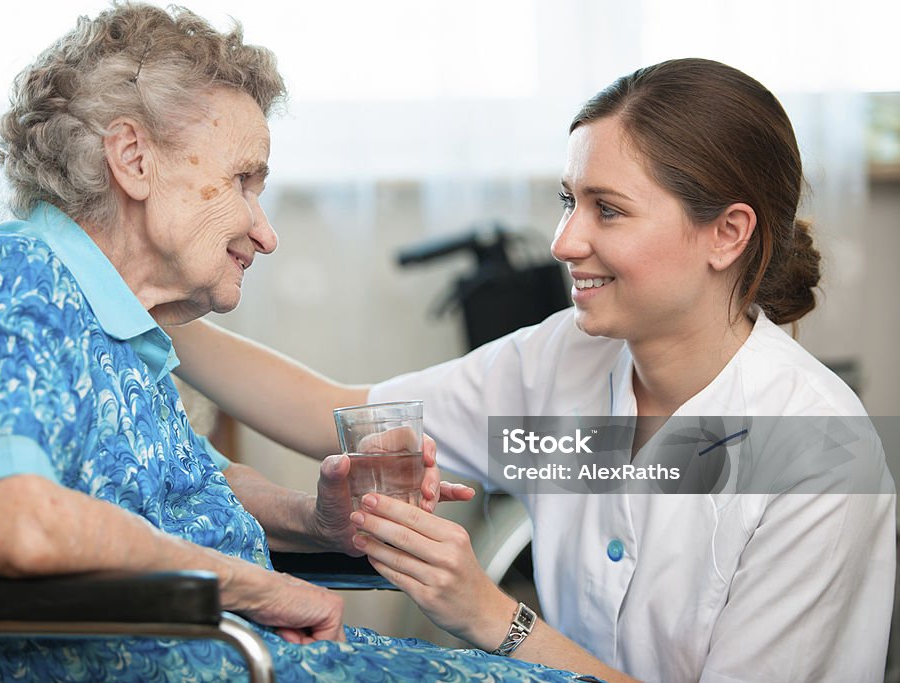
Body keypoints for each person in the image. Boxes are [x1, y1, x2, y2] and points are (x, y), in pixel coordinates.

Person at [0, 4, 594, 682]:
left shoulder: (116, 328)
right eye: (242, 181)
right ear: (132, 159)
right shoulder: (9, 274)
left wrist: (315, 519)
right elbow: (22, 527)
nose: (265, 231)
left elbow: (190, 483)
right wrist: (262, 587)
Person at [169, 58, 897, 682]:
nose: (563, 240)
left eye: (607, 211)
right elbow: (332, 407)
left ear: (728, 233)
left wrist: (491, 616)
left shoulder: (817, 454)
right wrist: (147, 298)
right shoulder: (567, 359)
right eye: (568, 201)